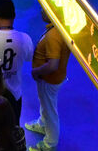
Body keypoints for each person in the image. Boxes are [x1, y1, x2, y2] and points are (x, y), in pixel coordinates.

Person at [25, 8, 70, 151]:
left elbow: (52, 65)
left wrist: (36, 71)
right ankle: (42, 124)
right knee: (45, 104)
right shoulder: (56, 29)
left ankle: (50, 143)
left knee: (50, 111)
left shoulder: (53, 36)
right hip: (48, 79)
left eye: (44, 9)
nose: (41, 12)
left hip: (49, 79)